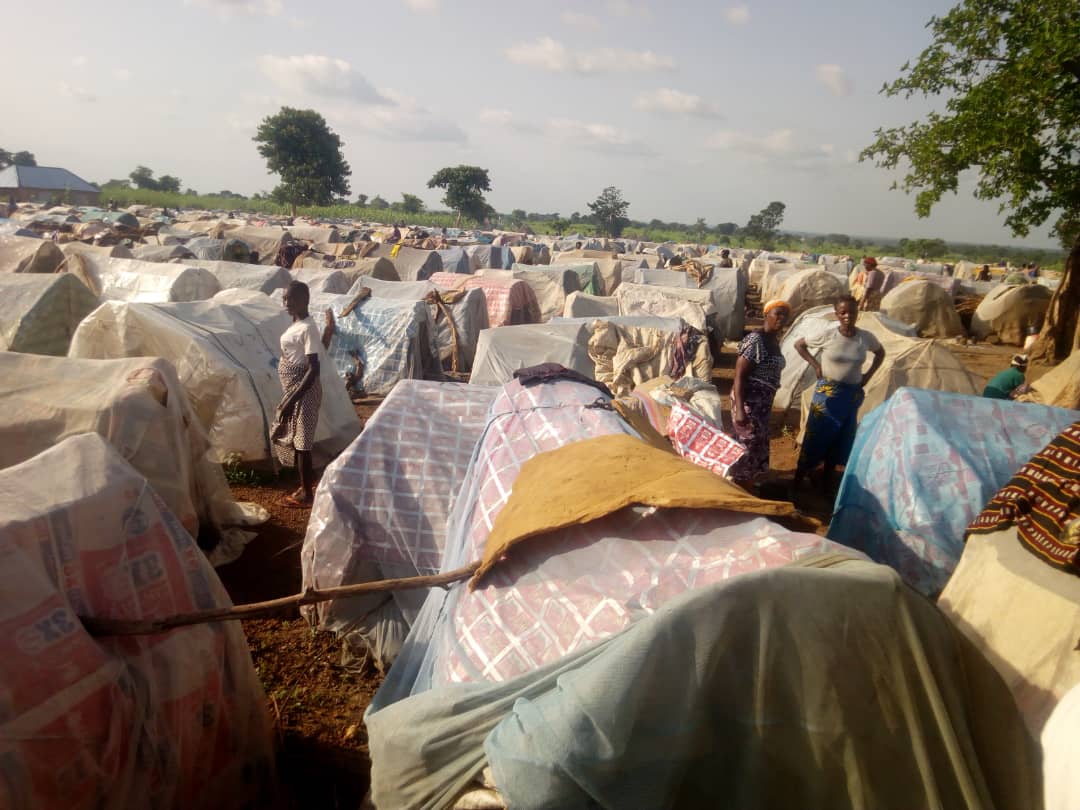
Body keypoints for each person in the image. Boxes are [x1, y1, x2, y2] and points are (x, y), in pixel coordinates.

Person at [792, 295, 886, 493]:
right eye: (842, 312)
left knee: (840, 439)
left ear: (857, 314)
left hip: (851, 396)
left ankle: (827, 483)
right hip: (827, 394)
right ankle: (798, 483)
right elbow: (799, 345)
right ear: (836, 314)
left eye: (851, 312)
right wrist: (816, 365)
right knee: (815, 437)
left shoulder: (865, 337)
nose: (847, 316)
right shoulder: (829, 334)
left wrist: (867, 375)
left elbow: (880, 353)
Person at [271, 281, 324, 507]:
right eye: (284, 299)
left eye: (291, 299)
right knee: (297, 438)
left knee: (303, 443)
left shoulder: (308, 328)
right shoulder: (297, 324)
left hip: (305, 392)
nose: (286, 303)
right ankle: (306, 485)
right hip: (295, 389)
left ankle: (306, 495)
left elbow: (314, 368)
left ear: (305, 300)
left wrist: (292, 400)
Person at [729, 300, 791, 490]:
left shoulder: (773, 341)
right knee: (747, 443)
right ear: (766, 315)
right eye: (777, 314)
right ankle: (738, 487)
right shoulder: (757, 340)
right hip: (749, 400)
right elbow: (739, 376)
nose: (781, 318)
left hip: (762, 403)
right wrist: (740, 410)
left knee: (757, 443)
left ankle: (747, 483)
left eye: (784, 315)